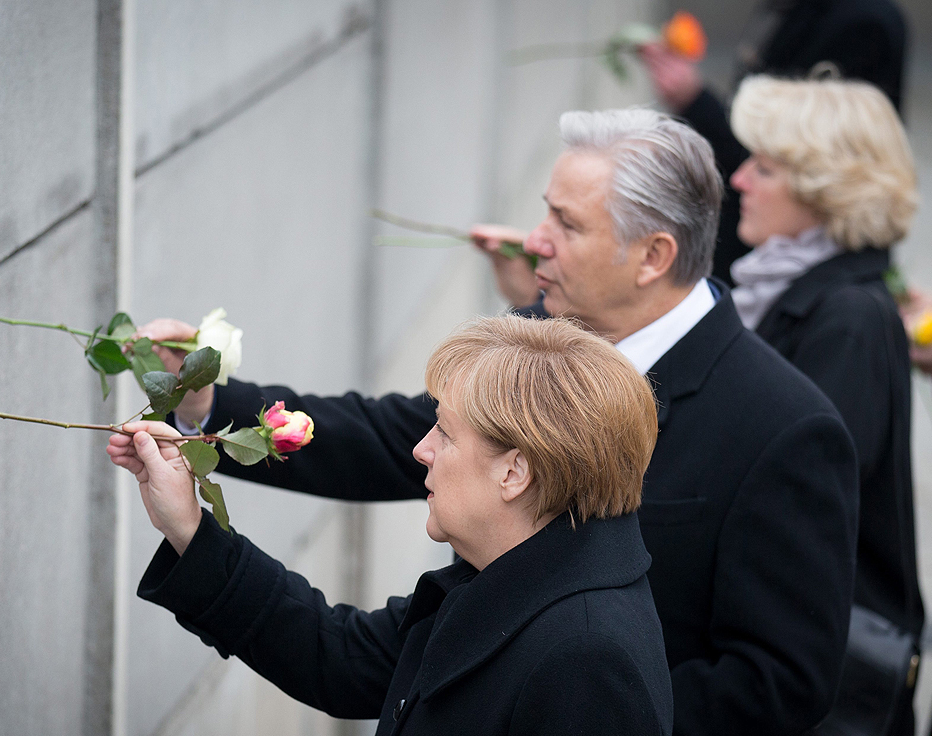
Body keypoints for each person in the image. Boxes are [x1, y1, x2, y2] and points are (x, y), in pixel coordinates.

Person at [133, 108, 859, 735]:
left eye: (566, 224)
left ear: (653, 256)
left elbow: (779, 685)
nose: (534, 240)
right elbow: (387, 450)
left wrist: (566, 701)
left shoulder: (787, 428)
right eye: (546, 211)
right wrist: (206, 409)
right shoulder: (542, 349)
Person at [111, 316, 674, 735]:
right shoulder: (519, 571)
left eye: (445, 434)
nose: (420, 449)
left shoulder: (587, 661)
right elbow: (341, 656)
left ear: (515, 471)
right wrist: (189, 527)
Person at [726, 75, 922, 734]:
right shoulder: (795, 289)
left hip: (814, 673)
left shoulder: (848, 318)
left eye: (765, 166)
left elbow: (798, 501)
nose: (739, 179)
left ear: (823, 187)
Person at [639, 0, 907, 284]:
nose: (741, 180)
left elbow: (814, 158)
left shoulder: (862, 22)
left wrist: (696, 101)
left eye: (763, 168)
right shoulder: (794, 11)